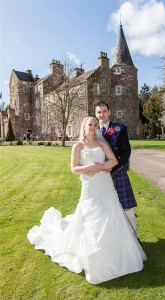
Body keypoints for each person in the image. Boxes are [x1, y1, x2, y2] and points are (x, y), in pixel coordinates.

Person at [27, 117, 146, 284]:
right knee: (89, 217)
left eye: (95, 125)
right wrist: (89, 167)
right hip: (90, 187)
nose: (93, 127)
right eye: (90, 124)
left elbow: (113, 160)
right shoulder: (78, 146)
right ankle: (93, 254)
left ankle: (116, 252)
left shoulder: (102, 144)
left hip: (105, 185)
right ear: (84, 127)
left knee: (111, 214)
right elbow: (74, 168)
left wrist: (103, 167)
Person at [95, 101, 138, 236]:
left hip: (118, 171)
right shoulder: (92, 130)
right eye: (99, 112)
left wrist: (112, 167)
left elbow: (126, 152)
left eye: (104, 111)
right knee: (103, 205)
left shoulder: (120, 128)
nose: (102, 115)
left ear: (109, 112)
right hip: (100, 174)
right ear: (96, 114)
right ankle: (111, 236)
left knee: (126, 205)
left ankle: (134, 234)